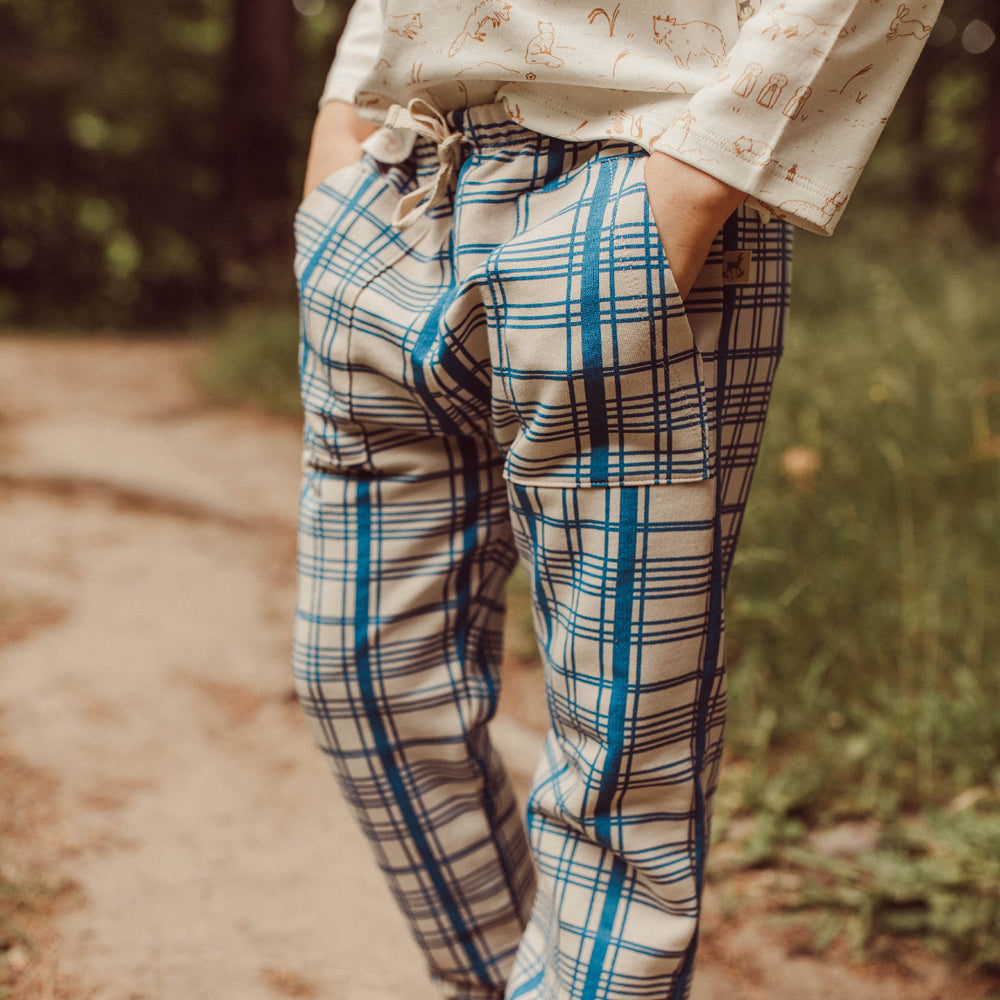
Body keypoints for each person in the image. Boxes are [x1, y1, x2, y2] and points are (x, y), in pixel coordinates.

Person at [292, 2, 940, 998]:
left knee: (618, 769)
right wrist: (339, 134)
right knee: (360, 672)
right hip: (403, 183)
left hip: (627, 182)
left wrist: (690, 185)